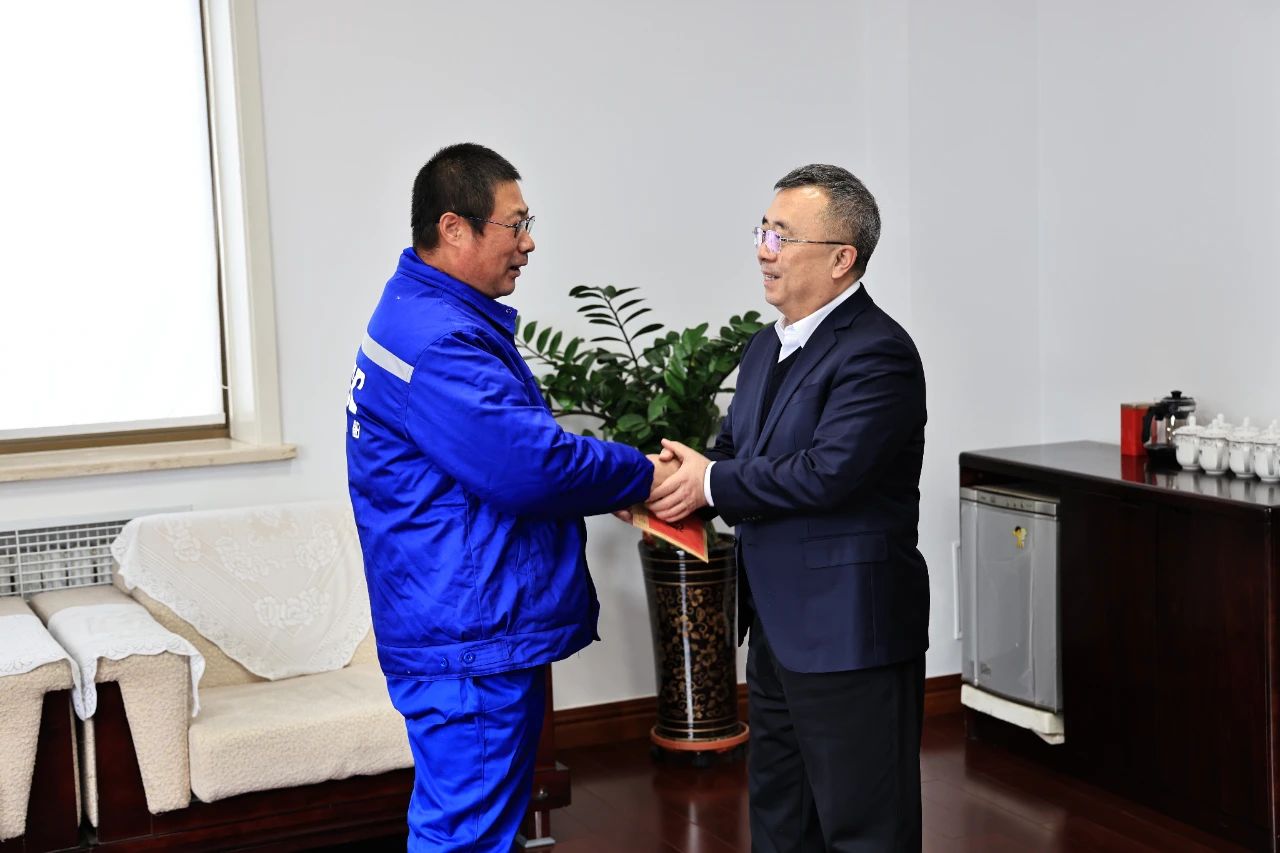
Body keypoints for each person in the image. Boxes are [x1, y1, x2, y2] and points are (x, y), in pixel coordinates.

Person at [345, 143, 675, 851]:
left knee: (465, 826)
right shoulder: (441, 341)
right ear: (454, 228)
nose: (529, 243)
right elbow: (529, 465)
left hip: (452, 614)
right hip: (470, 631)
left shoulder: (413, 311)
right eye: (515, 225)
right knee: (466, 836)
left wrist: (609, 480)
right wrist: (642, 475)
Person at [650, 164, 929, 851]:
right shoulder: (765, 346)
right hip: (777, 627)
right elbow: (733, 453)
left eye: (782, 236)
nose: (763, 250)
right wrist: (672, 481)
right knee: (780, 818)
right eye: (762, 231)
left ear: (841, 258)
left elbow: (828, 473)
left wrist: (709, 483)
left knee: (864, 826)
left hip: (849, 630)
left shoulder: (879, 352)